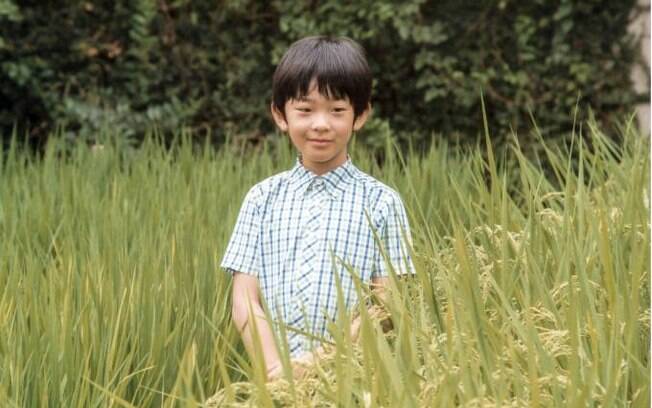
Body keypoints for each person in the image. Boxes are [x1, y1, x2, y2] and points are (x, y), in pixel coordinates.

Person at [221, 35, 414, 380]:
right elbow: (244, 301)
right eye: (305, 110)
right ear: (280, 115)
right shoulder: (262, 199)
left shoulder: (382, 202)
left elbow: (386, 307)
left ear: (361, 115)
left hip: (356, 382)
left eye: (337, 110)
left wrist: (312, 367)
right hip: (275, 385)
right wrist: (276, 374)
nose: (321, 124)